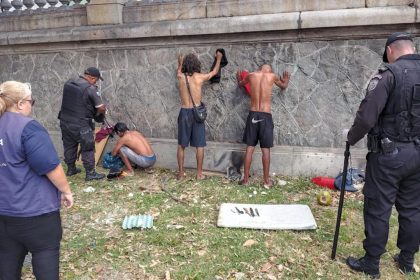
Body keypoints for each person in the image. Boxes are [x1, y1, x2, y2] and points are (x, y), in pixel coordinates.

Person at [346, 32, 420, 278]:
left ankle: (371, 263)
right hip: (417, 153)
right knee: (412, 207)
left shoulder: (389, 75)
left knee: (378, 207)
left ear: (390, 51)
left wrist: (350, 139)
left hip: (389, 155)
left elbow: (367, 116)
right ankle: (407, 261)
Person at [0, 81, 74, 279]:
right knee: (45, 258)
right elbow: (50, 166)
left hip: (4, 213)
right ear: (20, 103)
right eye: (32, 101)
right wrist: (66, 190)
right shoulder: (28, 128)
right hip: (35, 213)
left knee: (6, 263)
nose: (31, 105)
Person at [236, 64, 290, 188]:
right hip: (265, 116)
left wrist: (238, 79)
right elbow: (283, 86)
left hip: (253, 114)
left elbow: (241, 84)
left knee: (250, 147)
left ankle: (245, 180)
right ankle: (266, 182)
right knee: (265, 149)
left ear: (259, 69)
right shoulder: (273, 76)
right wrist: (286, 81)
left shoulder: (251, 75)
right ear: (269, 70)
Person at [176, 50, 223, 180]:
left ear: (185, 65)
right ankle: (199, 174)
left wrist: (180, 62)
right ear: (197, 64)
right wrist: (218, 59)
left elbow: (178, 70)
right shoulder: (200, 77)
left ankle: (180, 174)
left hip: (184, 112)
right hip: (197, 113)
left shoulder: (180, 76)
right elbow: (214, 72)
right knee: (200, 145)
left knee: (181, 145)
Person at [58, 67, 106, 181]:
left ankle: (71, 169)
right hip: (81, 124)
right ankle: (90, 174)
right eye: (96, 80)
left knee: (69, 145)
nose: (96, 82)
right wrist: (100, 114)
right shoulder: (90, 88)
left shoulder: (69, 83)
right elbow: (101, 107)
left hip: (65, 121)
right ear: (92, 78)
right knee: (88, 147)